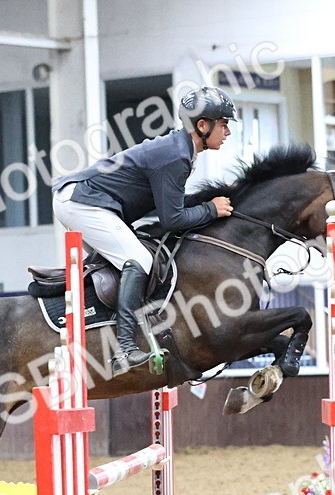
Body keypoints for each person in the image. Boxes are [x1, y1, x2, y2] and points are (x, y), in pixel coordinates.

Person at [52, 86, 237, 374]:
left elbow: (169, 206)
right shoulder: (176, 156)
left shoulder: (181, 150)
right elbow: (172, 219)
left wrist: (207, 203)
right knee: (138, 260)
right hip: (82, 202)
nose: (227, 132)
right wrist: (211, 209)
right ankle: (124, 349)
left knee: (130, 258)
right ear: (203, 125)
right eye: (224, 124)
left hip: (88, 201)